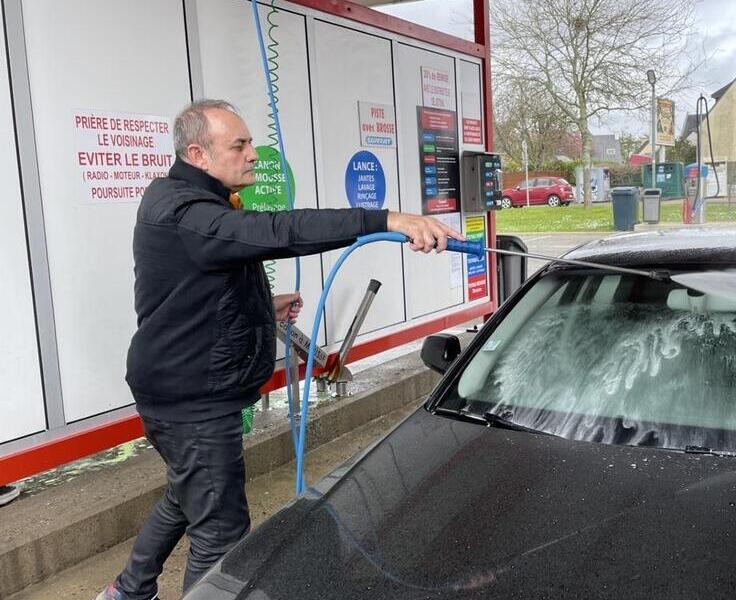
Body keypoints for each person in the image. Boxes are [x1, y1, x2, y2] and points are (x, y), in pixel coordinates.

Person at [97, 99, 463, 600]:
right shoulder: (187, 212)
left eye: (250, 142)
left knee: (189, 495)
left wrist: (261, 305)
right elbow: (278, 232)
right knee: (220, 537)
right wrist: (387, 220)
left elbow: (192, 290)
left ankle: (129, 590)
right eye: (240, 145)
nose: (253, 154)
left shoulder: (192, 201)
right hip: (192, 397)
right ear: (199, 153)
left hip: (175, 384)